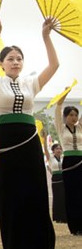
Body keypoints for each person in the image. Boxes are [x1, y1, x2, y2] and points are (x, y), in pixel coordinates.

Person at [0, 13, 57, 249]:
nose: (16, 62)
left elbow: (54, 66)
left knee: (34, 188)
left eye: (19, 59)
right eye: (10, 59)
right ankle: (15, 246)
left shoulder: (30, 83)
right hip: (6, 137)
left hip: (29, 138)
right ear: (1, 63)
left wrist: (46, 36)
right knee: (11, 190)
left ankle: (39, 245)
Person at [54, 94, 81, 235]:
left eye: (76, 115)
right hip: (69, 163)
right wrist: (65, 94)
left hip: (81, 162)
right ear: (65, 117)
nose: (74, 117)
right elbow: (57, 108)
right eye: (71, 115)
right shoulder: (61, 128)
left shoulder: (80, 127)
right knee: (71, 194)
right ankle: (74, 227)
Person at [43, 142, 66, 224]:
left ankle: (64, 217)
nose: (59, 150)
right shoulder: (51, 158)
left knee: (64, 197)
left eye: (60, 148)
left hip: (63, 179)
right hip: (56, 180)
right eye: (57, 148)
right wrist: (45, 139)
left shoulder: (63, 158)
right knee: (57, 197)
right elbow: (45, 150)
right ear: (53, 150)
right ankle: (58, 217)